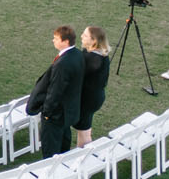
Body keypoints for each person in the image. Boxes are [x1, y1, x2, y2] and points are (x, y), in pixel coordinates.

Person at [27, 26, 85, 157]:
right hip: (68, 112)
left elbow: (55, 91)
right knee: (64, 145)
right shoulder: (78, 54)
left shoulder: (62, 64)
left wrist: (47, 113)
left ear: (65, 42)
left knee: (51, 150)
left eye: (56, 39)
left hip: (56, 115)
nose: (53, 41)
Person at [74, 27, 112, 147]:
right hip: (95, 97)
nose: (81, 36)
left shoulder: (92, 60)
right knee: (85, 128)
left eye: (85, 35)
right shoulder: (101, 54)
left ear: (94, 41)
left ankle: (83, 156)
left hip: (88, 100)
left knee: (83, 131)